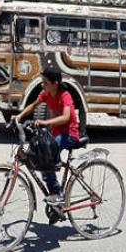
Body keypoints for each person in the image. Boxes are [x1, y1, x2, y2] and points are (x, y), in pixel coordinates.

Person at [12, 67, 81, 206]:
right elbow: (33, 105)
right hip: (55, 135)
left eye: (45, 82)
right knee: (40, 153)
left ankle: (57, 194)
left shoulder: (65, 95)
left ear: (55, 84)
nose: (42, 85)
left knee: (46, 154)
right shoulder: (46, 94)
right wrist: (19, 116)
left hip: (69, 135)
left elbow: (66, 117)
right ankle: (52, 189)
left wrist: (45, 122)